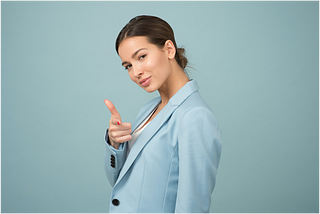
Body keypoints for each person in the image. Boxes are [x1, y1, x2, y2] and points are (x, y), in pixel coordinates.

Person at [104, 15, 222, 214]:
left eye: (141, 57)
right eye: (128, 66)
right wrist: (115, 144)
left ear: (169, 49)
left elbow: (192, 207)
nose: (136, 72)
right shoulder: (148, 109)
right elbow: (120, 184)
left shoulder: (195, 116)